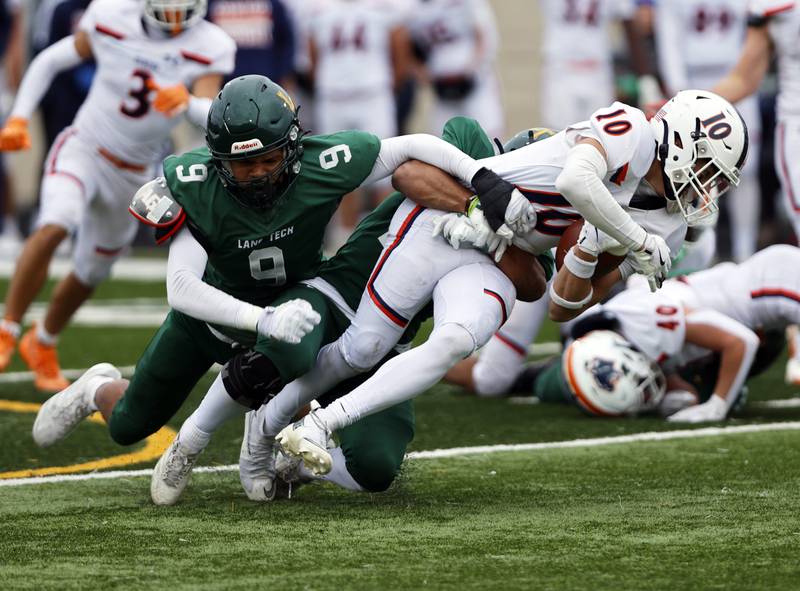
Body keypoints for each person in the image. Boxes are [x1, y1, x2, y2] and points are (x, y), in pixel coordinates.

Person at [29, 75, 535, 505]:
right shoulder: (194, 183)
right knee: (129, 426)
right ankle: (96, 387)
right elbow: (182, 288)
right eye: (241, 164)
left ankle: (274, 446)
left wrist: (479, 184)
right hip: (210, 319)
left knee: (303, 361)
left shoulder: (322, 163)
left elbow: (408, 148)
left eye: (268, 160)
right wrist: (259, 320)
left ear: (292, 146)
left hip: (295, 304)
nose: (256, 175)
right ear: (216, 159)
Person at [270, 89, 748, 476]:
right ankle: (266, 419)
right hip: (447, 222)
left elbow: (564, 304)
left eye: (718, 181)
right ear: (682, 140)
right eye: (707, 170)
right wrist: (635, 237)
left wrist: (585, 253)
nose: (708, 189)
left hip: (500, 256)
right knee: (362, 348)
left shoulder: (670, 226)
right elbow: (577, 182)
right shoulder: (633, 131)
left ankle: (322, 422)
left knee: (454, 343)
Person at [0, 0, 237, 392]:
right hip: (85, 148)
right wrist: (20, 115)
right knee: (58, 222)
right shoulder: (111, 13)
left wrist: (187, 101)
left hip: (135, 174)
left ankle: (42, 341)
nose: (176, 17)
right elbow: (51, 60)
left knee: (93, 271)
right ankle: (8, 328)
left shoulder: (213, 43)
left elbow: (211, 111)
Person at [510, 245, 800, 422]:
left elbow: (740, 342)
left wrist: (717, 406)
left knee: (725, 388)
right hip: (758, 311)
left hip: (774, 284)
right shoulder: (612, 335)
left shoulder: (645, 323)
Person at [654, 0, 761, 263]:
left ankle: (744, 250)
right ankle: (695, 252)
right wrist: (678, 90)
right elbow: (668, 38)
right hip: (694, 78)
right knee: (691, 171)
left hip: (737, 76)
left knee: (746, 170)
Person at [537, 0, 662, 130]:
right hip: (564, 67)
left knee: (599, 133)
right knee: (558, 134)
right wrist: (644, 74)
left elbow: (627, 21)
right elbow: (628, 24)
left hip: (593, 68)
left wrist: (645, 77)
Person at [409, 0, 504, 140]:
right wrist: (422, 73)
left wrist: (470, 69)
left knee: (490, 142)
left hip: (476, 84)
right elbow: (404, 47)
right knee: (442, 147)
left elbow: (486, 36)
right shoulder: (409, 8)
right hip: (441, 92)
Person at [206, 0, 296, 87]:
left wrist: (283, 74)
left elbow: (286, 41)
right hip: (223, 83)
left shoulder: (272, 4)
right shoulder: (211, 4)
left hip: (266, 84)